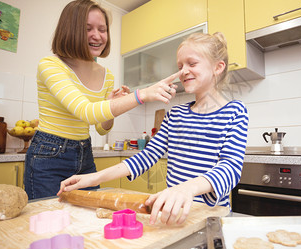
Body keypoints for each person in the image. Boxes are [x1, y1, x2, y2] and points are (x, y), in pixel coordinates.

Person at [58, 32, 249, 225]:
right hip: (174, 215)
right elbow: (146, 157)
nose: (183, 71)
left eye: (192, 64)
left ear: (218, 67)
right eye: (180, 66)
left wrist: (186, 189)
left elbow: (230, 168)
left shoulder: (235, 112)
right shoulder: (175, 114)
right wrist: (93, 178)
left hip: (212, 217)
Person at [24, 0, 179, 200]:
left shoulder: (106, 74)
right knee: (49, 224)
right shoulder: (50, 65)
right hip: (48, 156)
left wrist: (111, 103)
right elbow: (87, 113)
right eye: (87, 29)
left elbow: (101, 127)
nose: (97, 36)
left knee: (87, 221)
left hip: (84, 153)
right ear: (70, 30)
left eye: (102, 29)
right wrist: (142, 95)